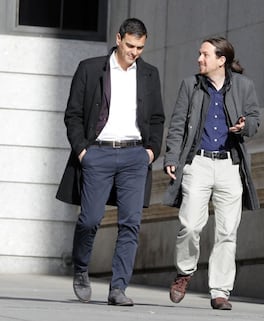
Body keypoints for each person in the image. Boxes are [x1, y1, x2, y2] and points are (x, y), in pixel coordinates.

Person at [56, 18, 165, 306]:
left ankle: (118, 288)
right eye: (130, 45)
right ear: (118, 39)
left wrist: (151, 152)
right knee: (90, 220)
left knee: (130, 223)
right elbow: (73, 115)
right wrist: (83, 152)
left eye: (140, 47)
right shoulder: (90, 69)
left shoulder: (149, 74)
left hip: (134, 156)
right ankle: (81, 269)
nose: (135, 52)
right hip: (98, 154)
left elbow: (156, 118)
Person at [163, 37, 260, 310]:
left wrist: (244, 126)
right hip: (198, 163)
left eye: (205, 55)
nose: (199, 59)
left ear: (222, 60)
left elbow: (255, 120)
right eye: (199, 54)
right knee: (190, 225)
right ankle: (185, 271)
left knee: (227, 232)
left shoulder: (244, 86)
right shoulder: (190, 85)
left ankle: (220, 291)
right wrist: (171, 156)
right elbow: (178, 123)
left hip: (230, 165)